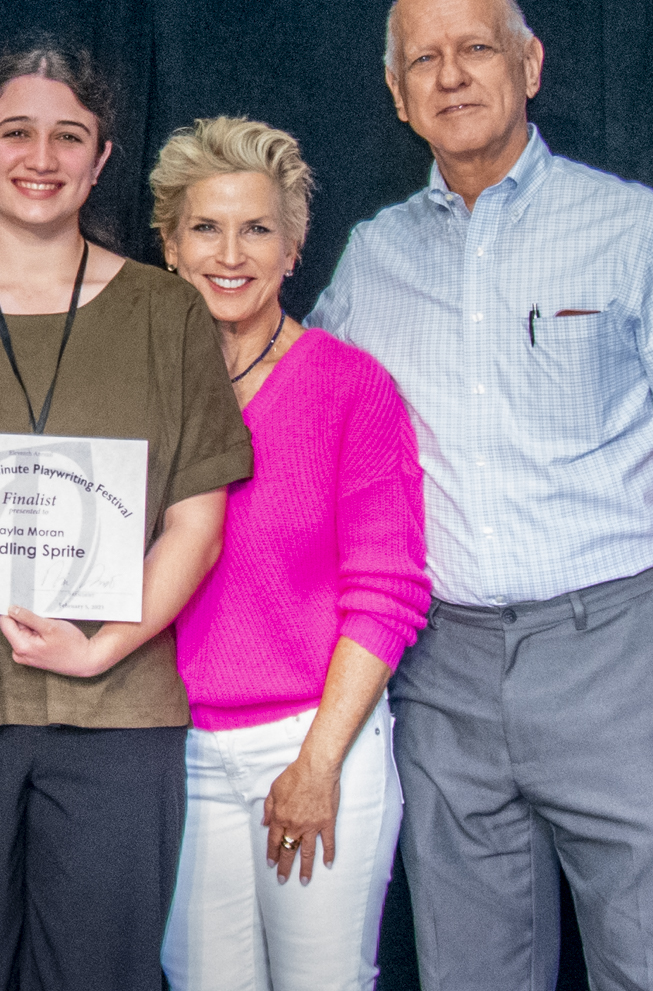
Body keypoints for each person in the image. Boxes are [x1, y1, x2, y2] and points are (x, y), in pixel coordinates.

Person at [308, 0, 653, 991]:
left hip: (618, 663)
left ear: (528, 63)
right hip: (443, 676)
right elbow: (293, 419)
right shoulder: (369, 258)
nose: (450, 74)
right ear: (394, 94)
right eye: (421, 58)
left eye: (473, 47)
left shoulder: (634, 228)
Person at [0, 44, 253, 991]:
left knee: (104, 974)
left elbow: (199, 520)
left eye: (69, 135)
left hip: (117, 709)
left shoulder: (169, 314)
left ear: (101, 158)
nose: (41, 155)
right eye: (15, 132)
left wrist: (104, 647)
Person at [147, 116, 430, 990]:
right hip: (174, 750)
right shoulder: (134, 388)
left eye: (258, 228)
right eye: (206, 227)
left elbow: (388, 593)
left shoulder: (351, 387)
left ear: (295, 247)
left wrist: (317, 763)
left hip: (313, 742)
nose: (230, 252)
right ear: (169, 245)